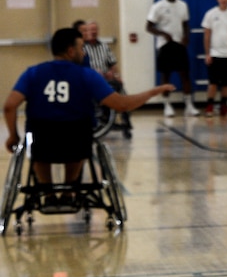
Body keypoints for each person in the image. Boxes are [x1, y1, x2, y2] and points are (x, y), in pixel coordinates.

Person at [3, 28, 174, 206]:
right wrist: (153, 92)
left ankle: (48, 192)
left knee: (39, 143)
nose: (84, 52)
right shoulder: (86, 75)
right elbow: (122, 105)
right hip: (76, 143)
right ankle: (70, 191)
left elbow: (9, 106)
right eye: (81, 47)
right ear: (71, 51)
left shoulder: (33, 73)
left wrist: (13, 135)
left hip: (43, 143)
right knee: (79, 136)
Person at [146, 0, 198, 117]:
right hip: (165, 45)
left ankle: (189, 105)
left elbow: (185, 23)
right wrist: (163, 34)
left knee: (185, 75)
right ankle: (167, 105)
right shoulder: (158, 6)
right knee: (166, 76)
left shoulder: (183, 5)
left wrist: (186, 36)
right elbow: (148, 27)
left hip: (179, 44)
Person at [81, 19, 132, 136]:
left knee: (119, 87)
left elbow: (113, 63)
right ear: (87, 32)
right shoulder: (83, 48)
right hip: (91, 79)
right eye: (91, 30)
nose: (93, 32)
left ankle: (126, 122)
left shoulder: (104, 46)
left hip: (106, 79)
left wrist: (117, 75)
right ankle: (102, 115)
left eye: (95, 30)